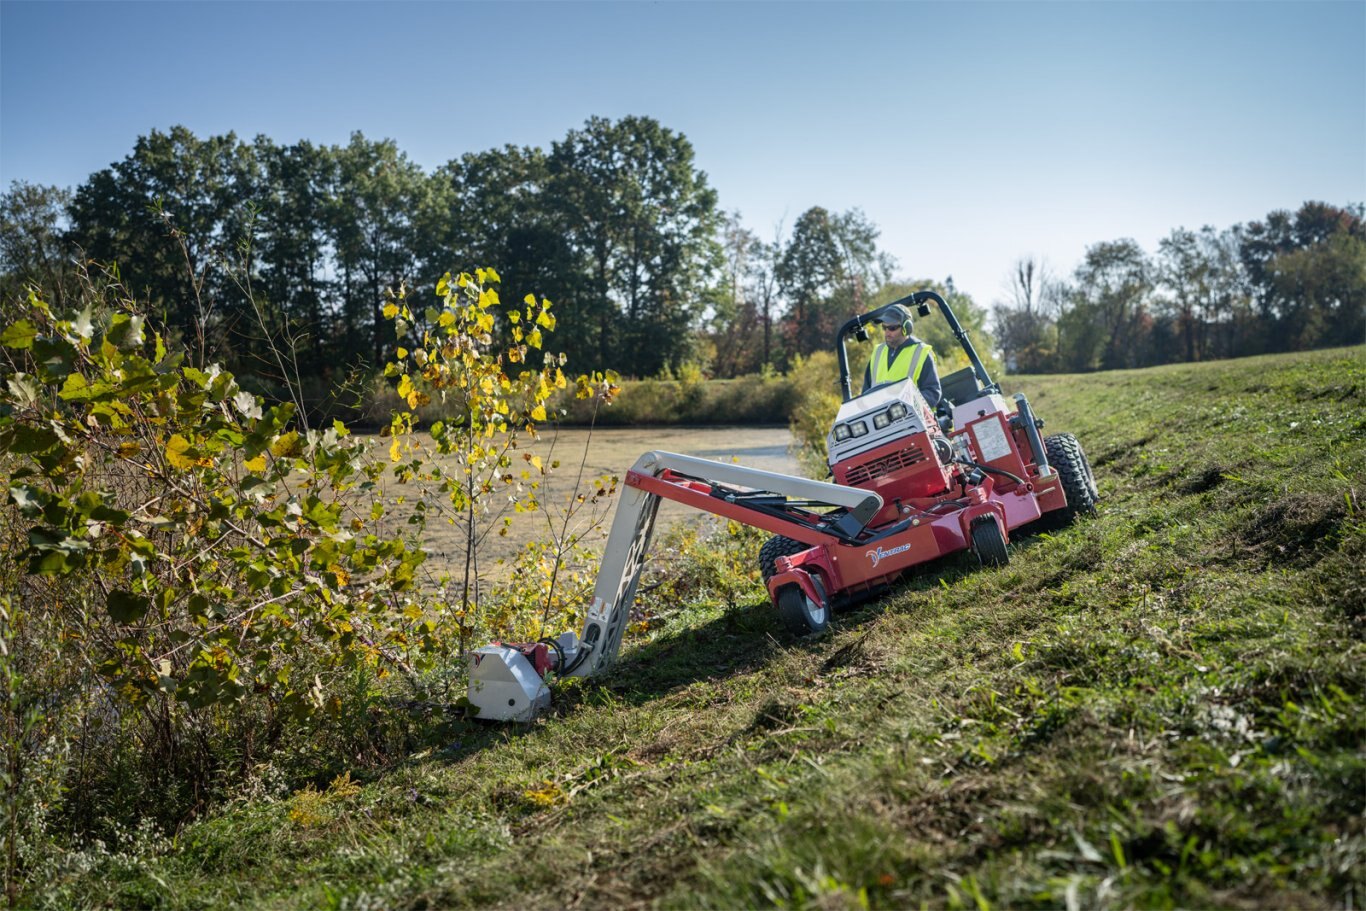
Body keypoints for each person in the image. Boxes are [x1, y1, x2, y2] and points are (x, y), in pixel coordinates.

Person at [862, 303, 942, 408]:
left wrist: (904, 405)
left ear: (906, 328)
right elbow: (865, 394)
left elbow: (932, 393)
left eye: (892, 328)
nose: (887, 333)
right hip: (881, 420)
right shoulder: (878, 353)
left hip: (912, 419)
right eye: (884, 327)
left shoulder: (921, 352)